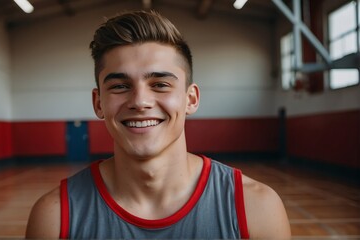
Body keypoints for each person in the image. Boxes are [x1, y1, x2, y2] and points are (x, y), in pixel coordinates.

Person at [25, 10, 291, 239]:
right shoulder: (54, 218)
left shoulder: (257, 208)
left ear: (191, 99)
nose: (140, 101)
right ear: (98, 103)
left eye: (160, 85)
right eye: (119, 86)